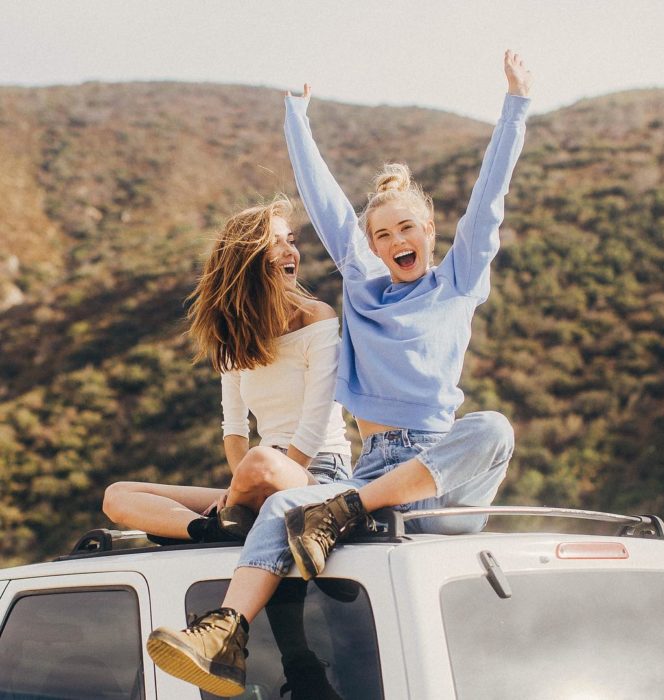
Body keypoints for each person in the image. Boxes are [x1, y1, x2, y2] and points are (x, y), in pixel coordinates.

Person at [146, 50, 531, 697]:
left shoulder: (459, 280)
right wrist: (296, 117)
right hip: (377, 469)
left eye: (407, 227)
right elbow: (324, 202)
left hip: (440, 475)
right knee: (284, 512)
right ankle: (223, 635)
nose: (395, 240)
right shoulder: (365, 284)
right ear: (372, 244)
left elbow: (489, 200)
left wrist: (516, 103)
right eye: (382, 233)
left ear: (430, 230)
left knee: (492, 427)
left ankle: (346, 508)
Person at [103, 195, 352, 545]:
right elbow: (234, 431)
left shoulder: (316, 318)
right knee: (118, 494)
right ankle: (212, 530)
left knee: (261, 458)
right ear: (247, 261)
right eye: (275, 244)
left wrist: (245, 487)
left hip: (318, 473)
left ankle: (237, 516)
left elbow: (314, 424)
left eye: (290, 242)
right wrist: (242, 491)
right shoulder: (236, 336)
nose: (290, 252)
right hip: (256, 479)